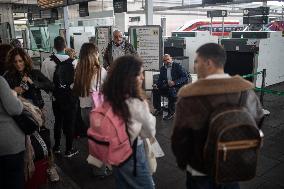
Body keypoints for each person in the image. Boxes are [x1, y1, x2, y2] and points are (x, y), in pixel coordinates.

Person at [171, 43, 264, 189]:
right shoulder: (245, 91)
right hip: (232, 164)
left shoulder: (189, 96)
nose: (194, 66)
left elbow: (180, 138)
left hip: (200, 170)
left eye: (197, 61)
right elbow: (257, 122)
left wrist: (184, 162)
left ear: (208, 63)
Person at [3, 47, 60, 182]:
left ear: (25, 60)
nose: (18, 64)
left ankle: (50, 167)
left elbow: (50, 85)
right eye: (15, 62)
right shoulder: (7, 77)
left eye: (21, 61)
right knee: (26, 143)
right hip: (19, 115)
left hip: (38, 113)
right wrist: (13, 91)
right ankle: (29, 169)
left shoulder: (33, 73)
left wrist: (33, 83)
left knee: (45, 139)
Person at [103, 55, 156, 188]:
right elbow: (149, 131)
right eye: (139, 74)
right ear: (129, 77)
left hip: (114, 150)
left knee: (123, 183)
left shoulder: (109, 96)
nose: (143, 78)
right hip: (132, 152)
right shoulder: (136, 103)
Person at [41, 36, 79, 158]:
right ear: (65, 45)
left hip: (56, 98)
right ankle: (69, 149)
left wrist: (52, 94)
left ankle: (56, 147)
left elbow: (44, 82)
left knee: (58, 121)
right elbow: (77, 82)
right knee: (70, 123)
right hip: (71, 98)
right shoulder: (74, 62)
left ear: (54, 46)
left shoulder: (47, 62)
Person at [0, 76, 24, 189]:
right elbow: (15, 109)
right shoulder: (1, 80)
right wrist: (14, 95)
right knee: (13, 180)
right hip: (8, 143)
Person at [152, 54, 189, 120]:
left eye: (168, 59)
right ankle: (159, 109)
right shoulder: (163, 69)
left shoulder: (177, 66)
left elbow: (185, 77)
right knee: (155, 90)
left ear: (171, 59)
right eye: (165, 60)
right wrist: (156, 85)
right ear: (163, 62)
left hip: (179, 86)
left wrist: (174, 82)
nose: (167, 61)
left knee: (171, 91)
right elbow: (160, 80)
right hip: (168, 86)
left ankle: (171, 113)